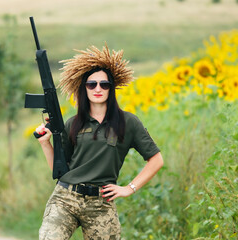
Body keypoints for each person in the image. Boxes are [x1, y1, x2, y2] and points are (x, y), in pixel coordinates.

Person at [35, 44, 164, 240]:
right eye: (91, 84)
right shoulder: (73, 123)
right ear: (84, 89)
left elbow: (156, 160)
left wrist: (129, 189)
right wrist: (45, 143)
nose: (98, 89)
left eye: (104, 85)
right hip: (65, 198)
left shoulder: (128, 122)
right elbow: (60, 169)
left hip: (101, 204)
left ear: (111, 89)